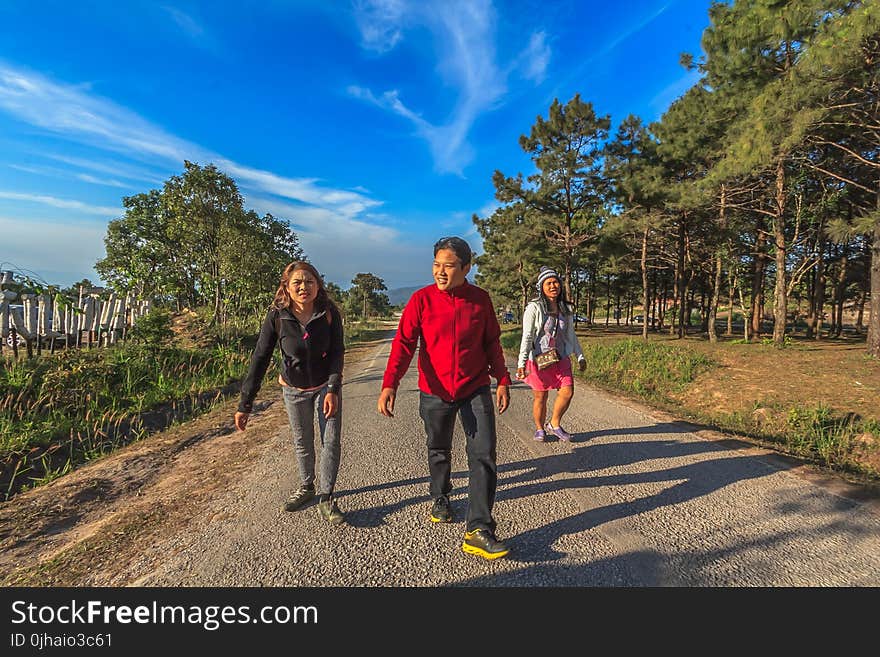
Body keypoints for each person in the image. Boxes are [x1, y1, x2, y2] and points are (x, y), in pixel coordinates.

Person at [377, 236, 512, 560]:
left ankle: (478, 528)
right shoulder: (421, 300)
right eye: (436, 265)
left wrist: (503, 379)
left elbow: (492, 342)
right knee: (438, 449)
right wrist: (390, 383)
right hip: (434, 391)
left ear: (466, 267)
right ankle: (440, 497)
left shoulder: (480, 300)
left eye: (448, 266)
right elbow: (404, 344)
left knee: (483, 453)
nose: (440, 272)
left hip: (474, 388)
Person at [234, 261, 346, 525]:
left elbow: (337, 353)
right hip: (293, 390)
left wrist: (333, 389)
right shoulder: (278, 316)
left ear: (318, 285)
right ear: (287, 286)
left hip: (324, 387)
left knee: (330, 441)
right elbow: (260, 357)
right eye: (297, 282)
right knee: (302, 441)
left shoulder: (328, 313)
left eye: (309, 281)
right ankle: (307, 487)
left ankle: (327, 496)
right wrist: (245, 403)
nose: (304, 287)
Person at [516, 266, 586, 442]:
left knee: (568, 391)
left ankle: (554, 424)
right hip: (539, 359)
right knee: (541, 396)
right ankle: (540, 428)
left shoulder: (565, 308)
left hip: (560, 358)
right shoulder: (534, 308)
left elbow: (571, 335)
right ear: (541, 287)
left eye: (555, 282)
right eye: (548, 283)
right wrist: (521, 363)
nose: (553, 286)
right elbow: (527, 335)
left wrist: (580, 356)